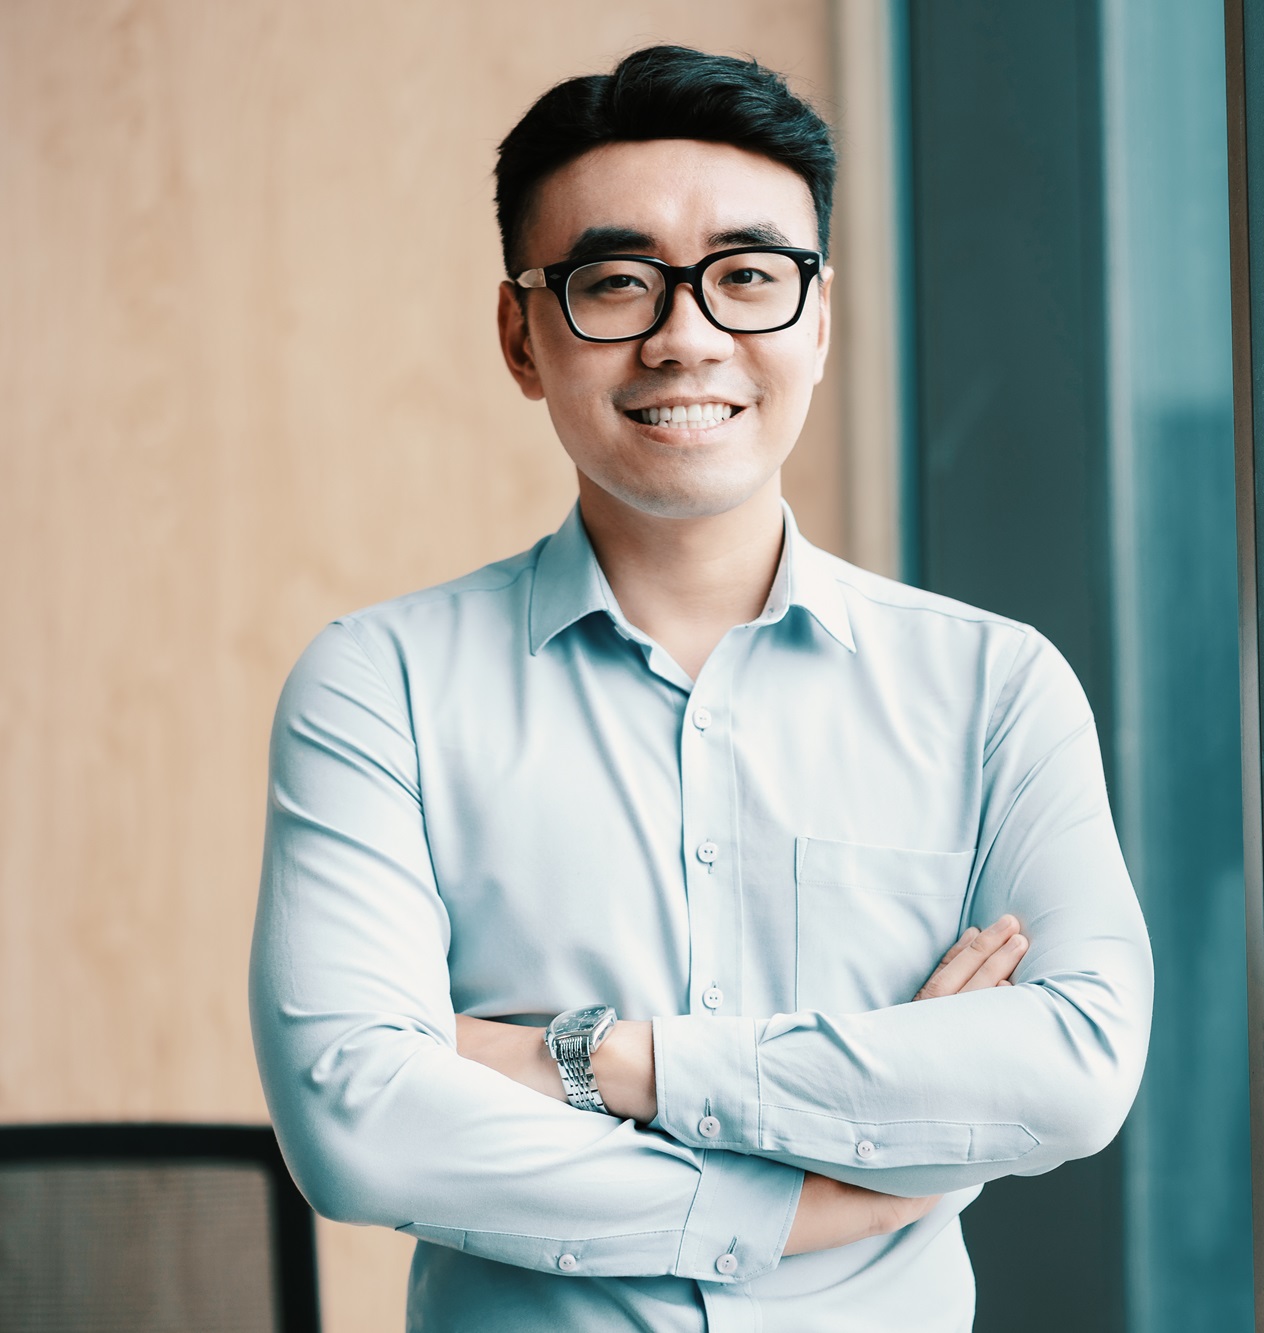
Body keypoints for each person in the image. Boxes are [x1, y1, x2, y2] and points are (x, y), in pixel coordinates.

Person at [247, 44, 1153, 1333]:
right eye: (617, 284)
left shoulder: (994, 687)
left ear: (819, 322)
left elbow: (1072, 1069)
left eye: (747, 278)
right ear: (521, 337)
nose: (686, 338)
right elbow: (362, 1127)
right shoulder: (378, 685)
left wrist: (603, 1060)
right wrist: (824, 1186)